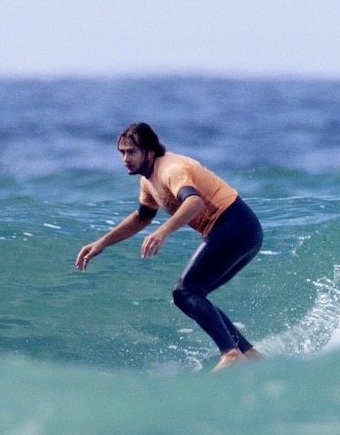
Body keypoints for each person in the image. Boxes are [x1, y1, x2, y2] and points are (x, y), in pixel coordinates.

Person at [75, 122, 264, 371]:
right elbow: (142, 217)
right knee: (193, 293)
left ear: (150, 151)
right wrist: (102, 243)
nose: (124, 158)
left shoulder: (170, 170)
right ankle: (248, 354)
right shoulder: (149, 180)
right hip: (243, 230)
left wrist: (163, 231)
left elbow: (194, 202)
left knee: (185, 292)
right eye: (121, 152)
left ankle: (231, 354)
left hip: (234, 225)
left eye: (131, 152)